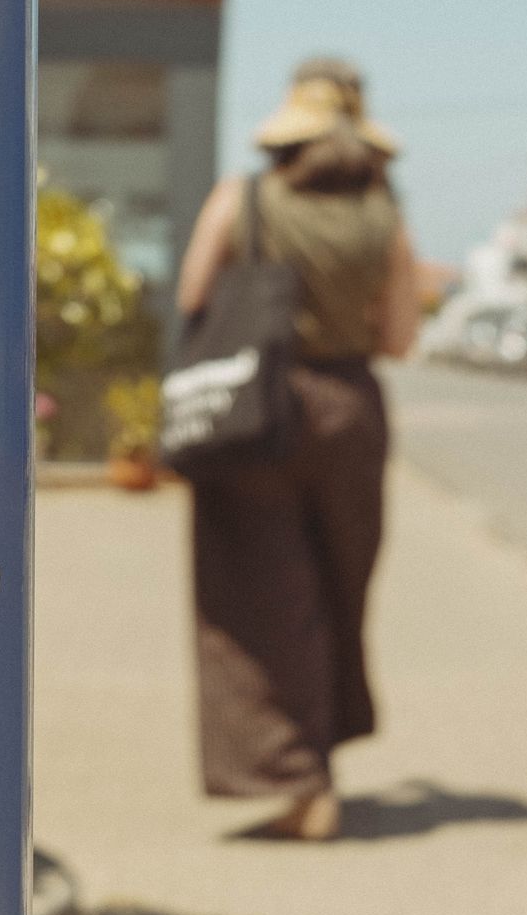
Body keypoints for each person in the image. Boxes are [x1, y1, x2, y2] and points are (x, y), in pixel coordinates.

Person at [174, 57, 422, 841]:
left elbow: (190, 298)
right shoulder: (386, 212)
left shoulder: (241, 199)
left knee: (258, 600)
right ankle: (322, 767)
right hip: (352, 411)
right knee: (336, 593)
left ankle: (297, 778)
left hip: (257, 415)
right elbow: (401, 337)